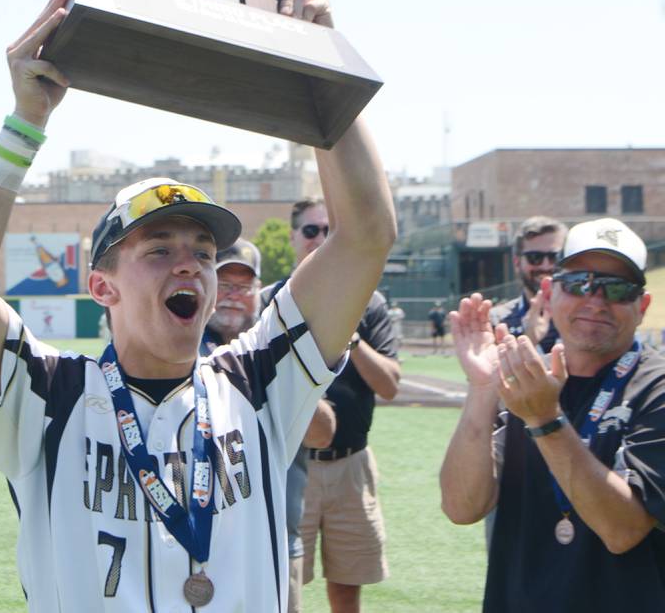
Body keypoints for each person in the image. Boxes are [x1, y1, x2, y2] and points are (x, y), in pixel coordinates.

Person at [0, 0, 397, 613]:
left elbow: (365, 234)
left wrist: (322, 72)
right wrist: (25, 123)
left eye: (203, 252)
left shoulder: (258, 381)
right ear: (101, 286)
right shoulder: (48, 394)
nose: (190, 266)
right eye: (159, 250)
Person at [440, 218, 665, 612]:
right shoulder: (523, 380)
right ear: (549, 291)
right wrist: (481, 390)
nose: (596, 300)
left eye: (617, 289)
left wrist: (545, 421)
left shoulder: (655, 386)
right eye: (580, 283)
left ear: (641, 306)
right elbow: (462, 507)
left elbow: (623, 530)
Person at [262, 198, 400, 613]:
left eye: (329, 231)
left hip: (350, 466)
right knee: (283, 591)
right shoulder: (270, 303)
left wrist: (351, 331)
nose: (320, 240)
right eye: (310, 231)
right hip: (287, 466)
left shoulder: (370, 303)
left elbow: (390, 385)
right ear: (292, 237)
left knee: (346, 592)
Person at [207, 238, 337, 613]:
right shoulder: (182, 351)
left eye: (244, 286)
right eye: (224, 285)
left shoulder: (281, 356)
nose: (233, 295)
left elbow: (322, 434)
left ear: (259, 293)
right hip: (198, 549)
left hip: (276, 542)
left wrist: (260, 376)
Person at [490, 215, 567, 352]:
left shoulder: (584, 316)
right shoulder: (496, 321)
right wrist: (529, 340)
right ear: (517, 263)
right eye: (534, 258)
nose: (546, 266)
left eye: (554, 257)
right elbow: (488, 372)